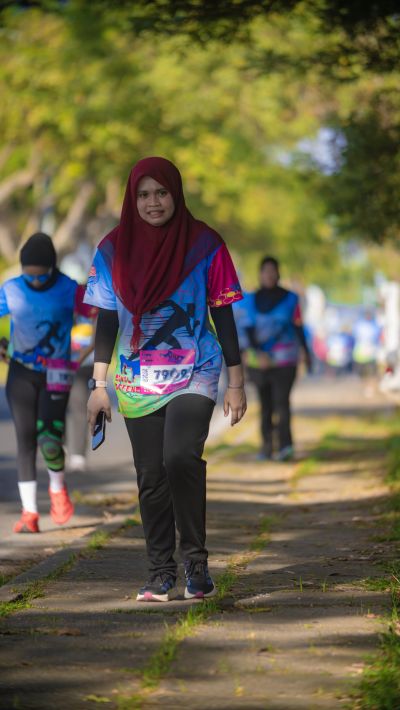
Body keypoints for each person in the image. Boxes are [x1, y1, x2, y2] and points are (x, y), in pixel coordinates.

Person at [85, 156, 246, 602]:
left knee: (179, 458)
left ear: (176, 193)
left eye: (161, 193)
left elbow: (222, 312)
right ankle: (160, 572)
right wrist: (98, 386)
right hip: (137, 378)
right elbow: (106, 321)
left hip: (196, 369)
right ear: (131, 198)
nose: (152, 202)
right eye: (143, 194)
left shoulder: (205, 244)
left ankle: (196, 563)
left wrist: (236, 382)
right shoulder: (111, 250)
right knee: (150, 474)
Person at [0, 233, 83, 533]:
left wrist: (85, 353)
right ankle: (30, 512)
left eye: (41, 276)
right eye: (29, 276)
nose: (34, 282)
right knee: (25, 440)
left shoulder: (70, 288)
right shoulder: (11, 288)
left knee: (49, 439)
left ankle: (58, 488)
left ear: (52, 268)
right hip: (21, 372)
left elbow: (101, 316)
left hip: (57, 372)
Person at [242, 256, 311, 461]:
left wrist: (306, 352)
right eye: (266, 271)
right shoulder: (250, 300)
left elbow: (298, 326)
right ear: (260, 274)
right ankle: (266, 446)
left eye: (273, 271)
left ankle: (285, 446)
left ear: (279, 273)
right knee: (265, 405)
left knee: (282, 402)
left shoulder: (291, 299)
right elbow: (247, 329)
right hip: (258, 362)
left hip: (285, 360)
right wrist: (259, 353)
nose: (269, 275)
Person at [60, 254, 98, 472]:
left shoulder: (91, 300)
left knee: (78, 404)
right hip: (60, 362)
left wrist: (79, 358)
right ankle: (63, 446)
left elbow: (96, 336)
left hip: (83, 363)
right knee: (57, 405)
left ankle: (77, 455)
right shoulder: (60, 299)